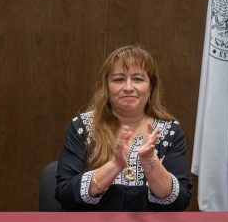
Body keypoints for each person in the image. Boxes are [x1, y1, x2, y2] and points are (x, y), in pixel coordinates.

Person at [55, 45, 192, 211]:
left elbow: (180, 202)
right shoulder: (82, 126)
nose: (128, 87)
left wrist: (150, 161)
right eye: (119, 79)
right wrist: (115, 164)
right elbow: (65, 193)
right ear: (107, 87)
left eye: (137, 79)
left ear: (151, 88)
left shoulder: (170, 131)